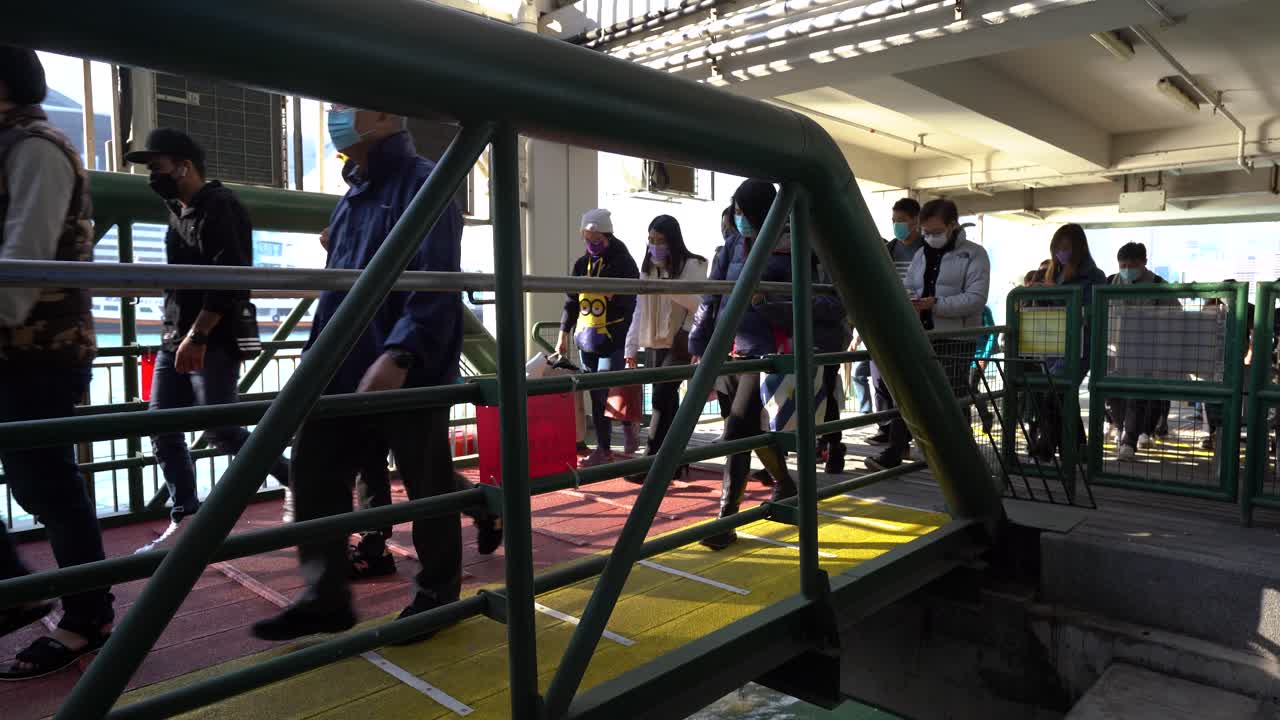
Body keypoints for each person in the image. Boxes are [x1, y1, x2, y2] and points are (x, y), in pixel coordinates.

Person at [252, 106, 500, 642]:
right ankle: (324, 595)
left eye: (348, 107)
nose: (336, 116)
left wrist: (402, 354)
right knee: (314, 469)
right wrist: (315, 357)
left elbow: (435, 276)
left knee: (425, 483)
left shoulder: (425, 182)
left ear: (386, 117)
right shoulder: (354, 193)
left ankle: (436, 594)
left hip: (403, 365)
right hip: (343, 363)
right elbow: (337, 287)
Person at [0, 47, 115, 680]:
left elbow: (23, 263)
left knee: (49, 487)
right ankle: (22, 589)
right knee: (44, 483)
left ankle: (86, 613)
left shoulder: (36, 147)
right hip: (19, 350)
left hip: (37, 351)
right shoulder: (18, 144)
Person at [123, 128, 292, 553]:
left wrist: (197, 336)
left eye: (156, 166)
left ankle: (301, 482)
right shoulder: (176, 209)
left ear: (184, 165)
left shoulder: (221, 206)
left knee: (221, 428)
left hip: (210, 338)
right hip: (175, 335)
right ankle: (186, 518)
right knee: (160, 425)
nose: (151, 175)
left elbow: (230, 279)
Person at [689, 180, 800, 550]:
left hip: (764, 354)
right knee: (747, 430)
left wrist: (767, 303)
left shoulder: (794, 246)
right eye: (734, 210)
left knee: (736, 431)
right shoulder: (731, 246)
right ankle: (785, 483)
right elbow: (712, 296)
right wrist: (700, 343)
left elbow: (819, 304)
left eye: (743, 210)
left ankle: (726, 518)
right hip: (729, 351)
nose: (738, 217)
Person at [866, 199, 990, 471]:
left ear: (953, 225)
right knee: (910, 393)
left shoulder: (974, 254)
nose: (931, 237)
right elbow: (909, 286)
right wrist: (910, 299)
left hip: (956, 340)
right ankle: (895, 452)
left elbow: (976, 299)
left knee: (953, 399)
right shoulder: (922, 254)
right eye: (926, 232)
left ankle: (963, 459)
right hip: (920, 335)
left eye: (936, 231)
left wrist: (935, 304)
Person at [318, 226, 397, 578]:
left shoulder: (363, 271)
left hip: (366, 372)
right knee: (374, 462)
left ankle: (371, 546)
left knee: (367, 462)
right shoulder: (365, 267)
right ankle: (372, 546)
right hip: (364, 371)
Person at [623, 215, 707, 482]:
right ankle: (674, 461)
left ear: (673, 241)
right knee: (668, 402)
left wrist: (669, 284)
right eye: (651, 240)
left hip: (680, 342)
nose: (655, 246)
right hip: (654, 342)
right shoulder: (648, 268)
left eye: (660, 241)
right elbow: (639, 309)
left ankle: (651, 460)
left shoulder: (692, 264)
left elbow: (700, 303)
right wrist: (631, 346)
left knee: (660, 399)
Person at [555, 209, 640, 468]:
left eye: (596, 239)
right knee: (596, 393)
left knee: (605, 388)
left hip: (613, 337)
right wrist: (563, 336)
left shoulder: (624, 263)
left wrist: (609, 291)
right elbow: (570, 303)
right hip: (587, 337)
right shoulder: (582, 265)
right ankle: (605, 447)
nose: (591, 244)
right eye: (587, 239)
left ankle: (624, 427)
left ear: (607, 236)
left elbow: (630, 300)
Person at [1029, 223, 1106, 462]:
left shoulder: (1094, 276)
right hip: (1052, 344)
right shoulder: (1054, 273)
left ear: (1078, 249)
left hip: (1080, 345)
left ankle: (1046, 445)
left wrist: (1049, 292)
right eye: (1057, 248)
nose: (1060, 253)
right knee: (1063, 395)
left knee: (1056, 391)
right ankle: (1077, 451)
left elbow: (1084, 310)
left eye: (1065, 248)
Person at [1105, 242, 1178, 461]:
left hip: (1144, 353)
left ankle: (1129, 442)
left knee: (1136, 397)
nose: (1126, 269)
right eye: (1123, 264)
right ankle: (1122, 429)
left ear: (1144, 262)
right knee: (1113, 396)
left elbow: (1176, 316)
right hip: (1112, 351)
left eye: (1132, 264)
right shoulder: (1109, 282)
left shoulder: (1158, 285)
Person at [868, 198, 923, 445]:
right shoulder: (888, 250)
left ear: (916, 221)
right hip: (886, 321)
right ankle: (886, 426)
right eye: (894, 221)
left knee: (908, 381)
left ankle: (905, 432)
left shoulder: (927, 250)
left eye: (901, 221)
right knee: (879, 376)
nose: (897, 226)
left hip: (915, 322)